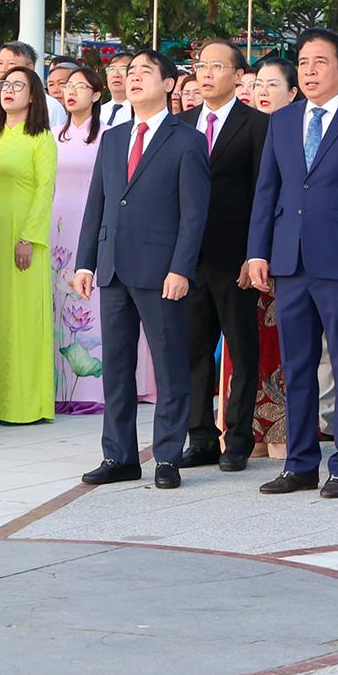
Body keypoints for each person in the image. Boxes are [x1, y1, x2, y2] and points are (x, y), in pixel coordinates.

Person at [247, 28, 338, 499]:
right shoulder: (283, 121)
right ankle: (300, 463)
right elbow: (267, 191)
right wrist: (257, 251)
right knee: (297, 366)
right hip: (289, 263)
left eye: (320, 62)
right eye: (304, 62)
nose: (309, 71)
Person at [74, 48, 210, 488]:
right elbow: (97, 203)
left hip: (162, 272)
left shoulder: (187, 139)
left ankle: (168, 457)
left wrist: (181, 269)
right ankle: (119, 456)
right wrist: (85, 262)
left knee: (170, 366)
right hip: (113, 268)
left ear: (169, 84)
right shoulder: (113, 138)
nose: (134, 78)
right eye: (130, 72)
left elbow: (194, 215)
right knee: (115, 366)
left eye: (145, 72)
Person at [179, 39, 268, 471]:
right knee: (193, 350)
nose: (207, 73)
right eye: (201, 65)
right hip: (187, 260)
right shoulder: (180, 124)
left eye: (217, 66)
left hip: (235, 260)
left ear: (237, 75)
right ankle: (200, 438)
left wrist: (256, 254)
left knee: (242, 351)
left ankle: (238, 438)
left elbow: (263, 195)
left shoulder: (256, 125)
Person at [0, 62, 57, 425]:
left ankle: (26, 404)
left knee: (22, 318)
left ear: (33, 97)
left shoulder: (41, 138)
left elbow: (45, 191)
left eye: (18, 84)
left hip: (22, 235)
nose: (9, 89)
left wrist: (29, 237)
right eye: (5, 84)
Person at [245, 57, 298, 450]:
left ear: (294, 93)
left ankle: (283, 429)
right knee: (248, 344)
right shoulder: (243, 129)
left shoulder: (301, 132)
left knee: (283, 345)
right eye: (259, 84)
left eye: (273, 85)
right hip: (250, 252)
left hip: (290, 253)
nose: (263, 92)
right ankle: (251, 430)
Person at [51, 62, 108, 414]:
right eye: (67, 86)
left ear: (97, 95)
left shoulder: (108, 135)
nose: (71, 92)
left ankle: (91, 389)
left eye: (81, 87)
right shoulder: (53, 134)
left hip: (89, 221)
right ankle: (58, 386)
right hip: (55, 224)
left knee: (88, 305)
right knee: (58, 304)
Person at [100, 51, 133, 131]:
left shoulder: (140, 113)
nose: (116, 74)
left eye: (123, 69)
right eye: (111, 69)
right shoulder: (98, 111)